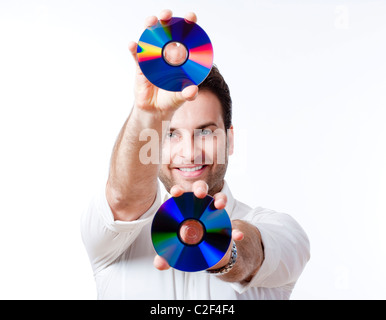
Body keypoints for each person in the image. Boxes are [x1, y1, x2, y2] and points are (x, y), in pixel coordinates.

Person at [81, 9, 310, 300]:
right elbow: (125, 201)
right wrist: (146, 114)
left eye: (205, 131)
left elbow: (253, 253)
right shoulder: (111, 238)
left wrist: (220, 246)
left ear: (230, 140)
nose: (189, 153)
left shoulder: (282, 231)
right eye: (170, 133)